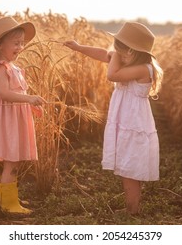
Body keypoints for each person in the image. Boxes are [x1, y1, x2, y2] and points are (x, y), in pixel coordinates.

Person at [64, 22, 163, 215]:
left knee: (130, 167)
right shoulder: (128, 60)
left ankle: (132, 210)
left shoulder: (144, 68)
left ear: (132, 51)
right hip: (125, 120)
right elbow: (103, 54)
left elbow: (112, 75)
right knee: (127, 166)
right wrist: (79, 47)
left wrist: (115, 55)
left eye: (120, 49)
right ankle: (131, 207)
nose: (115, 53)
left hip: (133, 123)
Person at [0, 16, 46, 214]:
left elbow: (19, 93)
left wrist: (31, 104)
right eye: (16, 43)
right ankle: (8, 206)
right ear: (0, 44)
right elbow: (5, 94)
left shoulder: (14, 67)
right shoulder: (1, 67)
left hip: (14, 117)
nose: (20, 47)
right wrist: (28, 99)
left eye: (22, 44)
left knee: (14, 161)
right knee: (11, 162)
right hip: (6, 121)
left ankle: (10, 201)